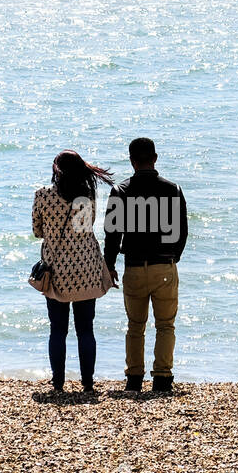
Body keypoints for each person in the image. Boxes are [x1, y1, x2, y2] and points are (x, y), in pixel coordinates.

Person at [104, 137, 188, 393]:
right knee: (165, 325)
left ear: (131, 161)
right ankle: (162, 378)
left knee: (135, 326)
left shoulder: (121, 191)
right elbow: (182, 231)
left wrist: (109, 265)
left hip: (135, 266)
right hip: (164, 264)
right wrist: (174, 257)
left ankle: (134, 378)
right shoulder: (172, 189)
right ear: (155, 158)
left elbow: (112, 234)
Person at [32, 150, 115, 393]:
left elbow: (37, 231)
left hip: (56, 270)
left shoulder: (42, 195)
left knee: (57, 329)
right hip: (87, 267)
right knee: (85, 328)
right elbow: (84, 228)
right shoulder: (86, 196)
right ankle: (87, 384)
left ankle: (58, 383)